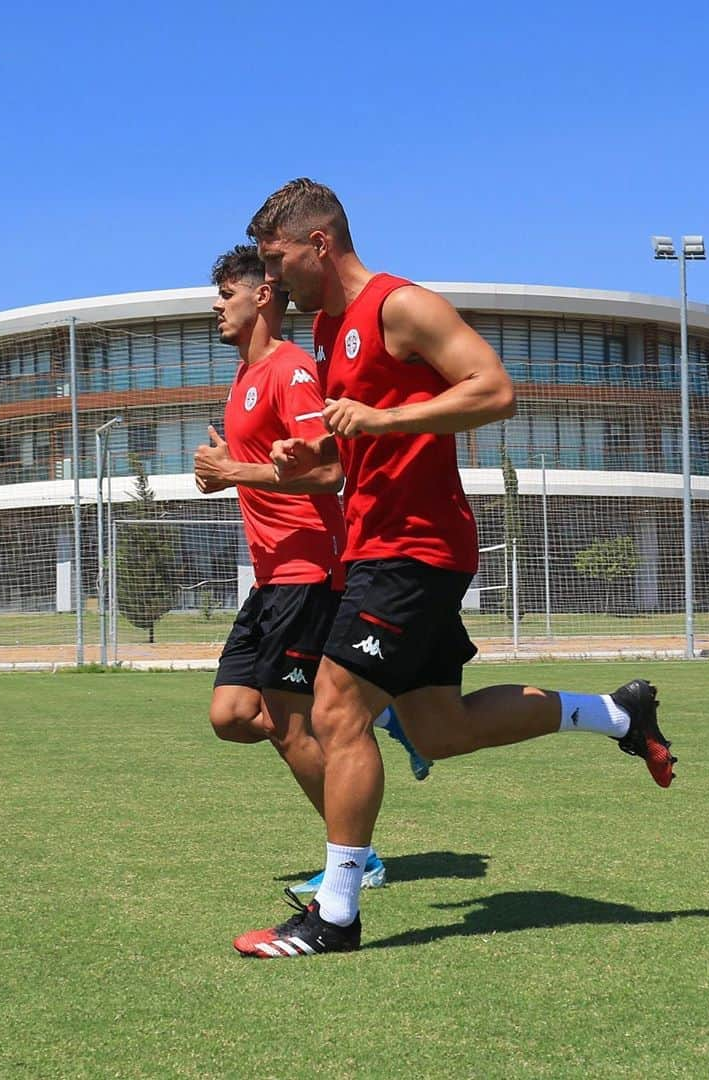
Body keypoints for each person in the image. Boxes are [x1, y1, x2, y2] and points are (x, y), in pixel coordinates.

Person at [231, 180, 677, 958]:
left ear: (320, 244)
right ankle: (618, 712)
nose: (274, 283)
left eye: (278, 262)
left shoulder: (400, 306)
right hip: (376, 544)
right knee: (439, 730)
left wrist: (384, 419)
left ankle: (336, 915)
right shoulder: (332, 331)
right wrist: (320, 453)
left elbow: (497, 390)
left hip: (417, 546)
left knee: (336, 711)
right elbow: (351, 454)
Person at [194, 244, 430, 897]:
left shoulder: (293, 371)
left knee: (289, 722)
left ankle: (359, 860)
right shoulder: (243, 380)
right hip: (271, 579)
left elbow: (333, 472)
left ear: (261, 296)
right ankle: (383, 717)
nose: (216, 305)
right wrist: (227, 477)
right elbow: (267, 473)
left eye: (226, 293)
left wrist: (234, 472)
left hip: (308, 570)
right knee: (231, 714)